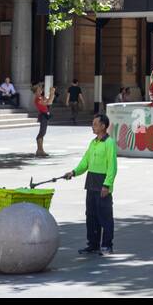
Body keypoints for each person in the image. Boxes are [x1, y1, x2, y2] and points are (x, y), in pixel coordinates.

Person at [64, 113, 117, 255]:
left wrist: (107, 185)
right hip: (91, 183)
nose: (92, 127)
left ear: (103, 126)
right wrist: (73, 172)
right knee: (91, 216)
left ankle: (107, 245)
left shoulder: (109, 143)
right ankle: (93, 244)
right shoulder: (93, 143)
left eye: (95, 124)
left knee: (105, 216)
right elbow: (85, 162)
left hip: (102, 184)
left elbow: (112, 166)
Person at [33, 84, 53, 157]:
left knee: (43, 133)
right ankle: (39, 150)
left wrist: (52, 94)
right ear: (35, 92)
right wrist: (51, 93)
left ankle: (40, 150)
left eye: (41, 89)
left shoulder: (41, 97)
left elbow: (50, 101)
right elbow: (48, 102)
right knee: (42, 133)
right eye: (39, 90)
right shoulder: (37, 99)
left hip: (45, 115)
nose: (41, 90)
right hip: (43, 116)